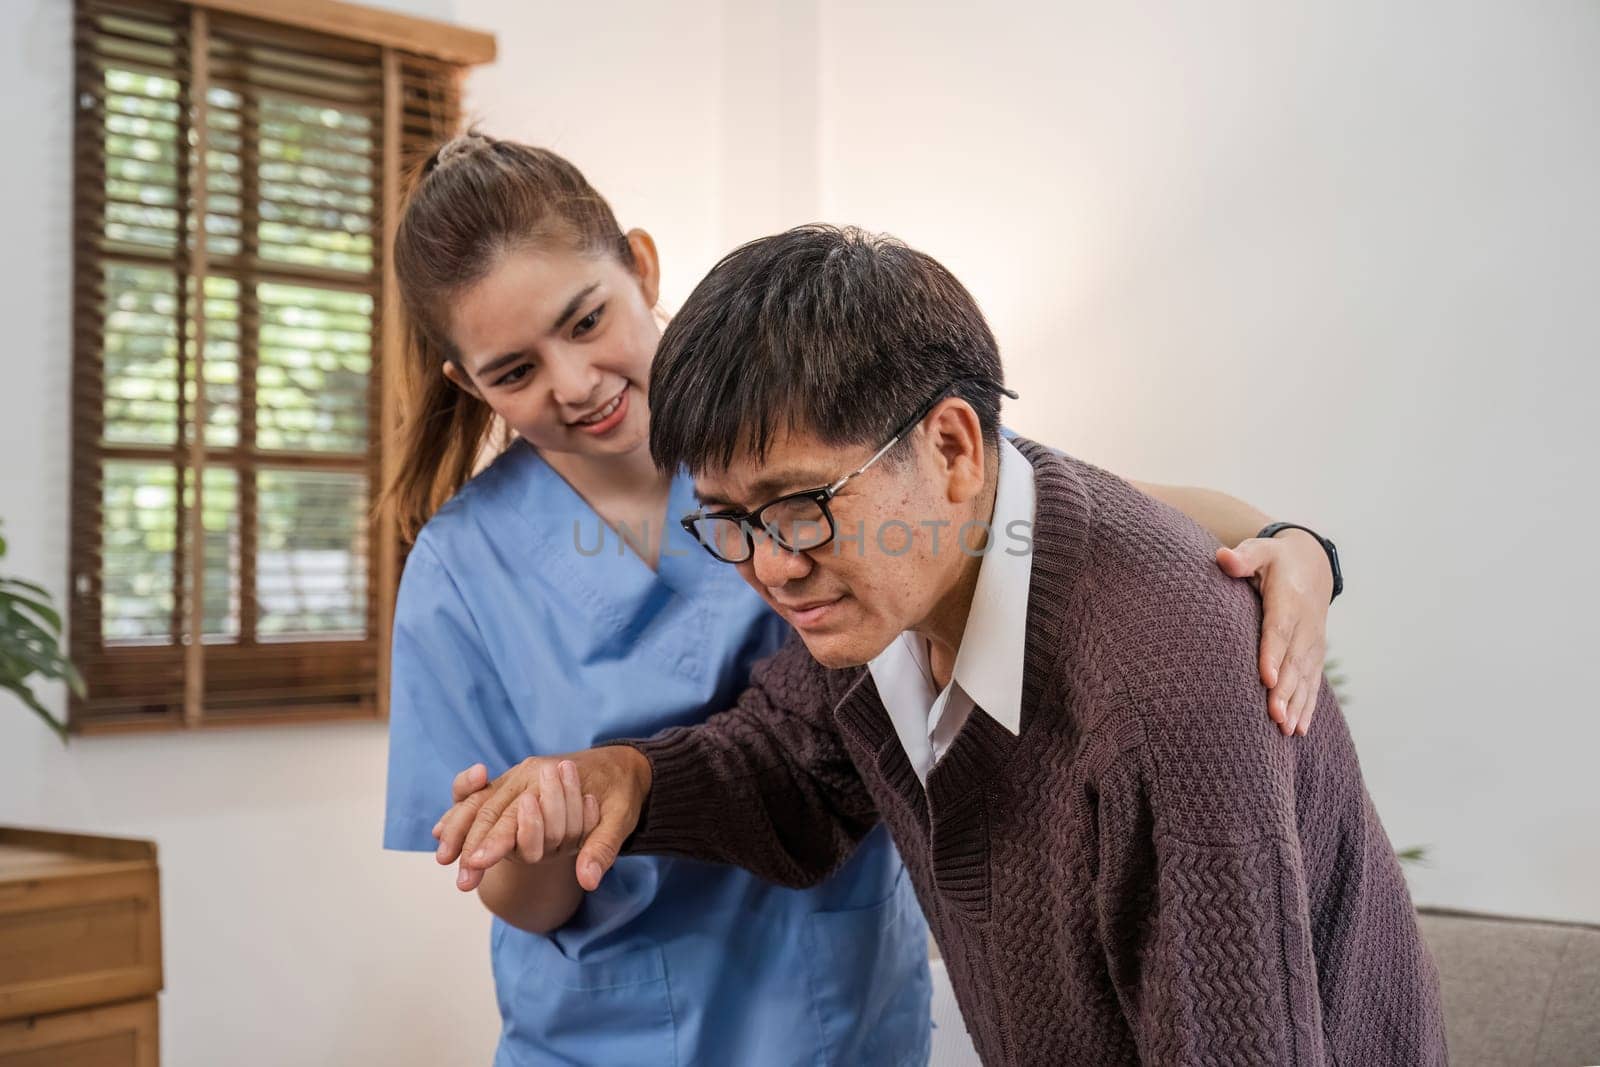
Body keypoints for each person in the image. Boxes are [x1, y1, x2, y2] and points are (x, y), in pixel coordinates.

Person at [387, 137, 1343, 1067]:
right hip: (613, 1025)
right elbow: (774, 758)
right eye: (514, 371)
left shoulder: (830, 439)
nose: (573, 382)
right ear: (467, 383)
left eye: (585, 321)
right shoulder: (465, 568)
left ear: (640, 265)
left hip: (839, 1010)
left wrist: (1294, 544)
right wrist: (586, 800)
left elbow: (1037, 508)